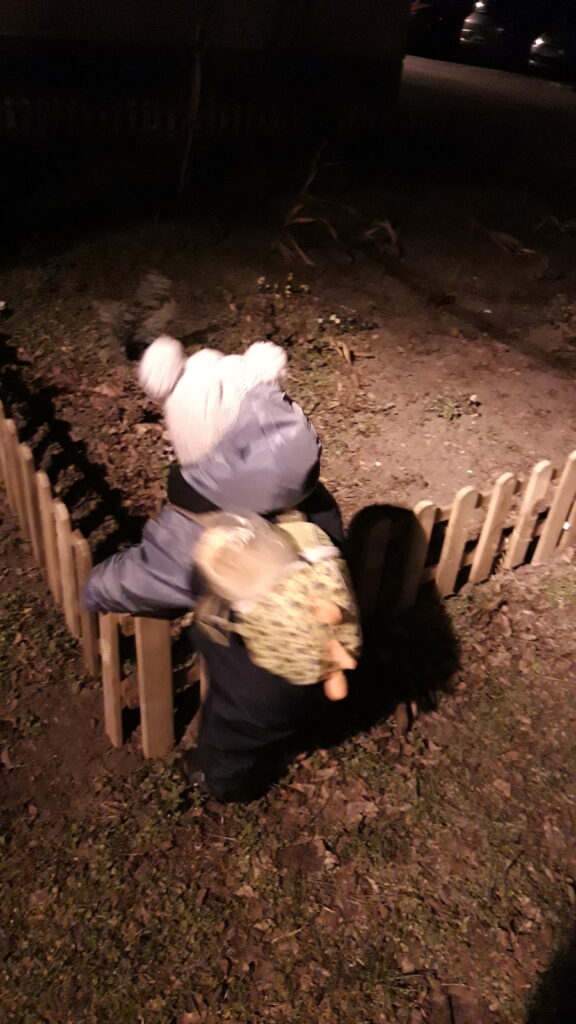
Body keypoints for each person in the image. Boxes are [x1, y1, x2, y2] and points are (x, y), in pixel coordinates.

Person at [83, 335, 346, 801]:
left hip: (257, 683)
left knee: (230, 739)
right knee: (299, 709)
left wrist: (95, 585)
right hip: (327, 654)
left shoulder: (198, 532)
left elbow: (145, 576)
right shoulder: (313, 500)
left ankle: (220, 782)